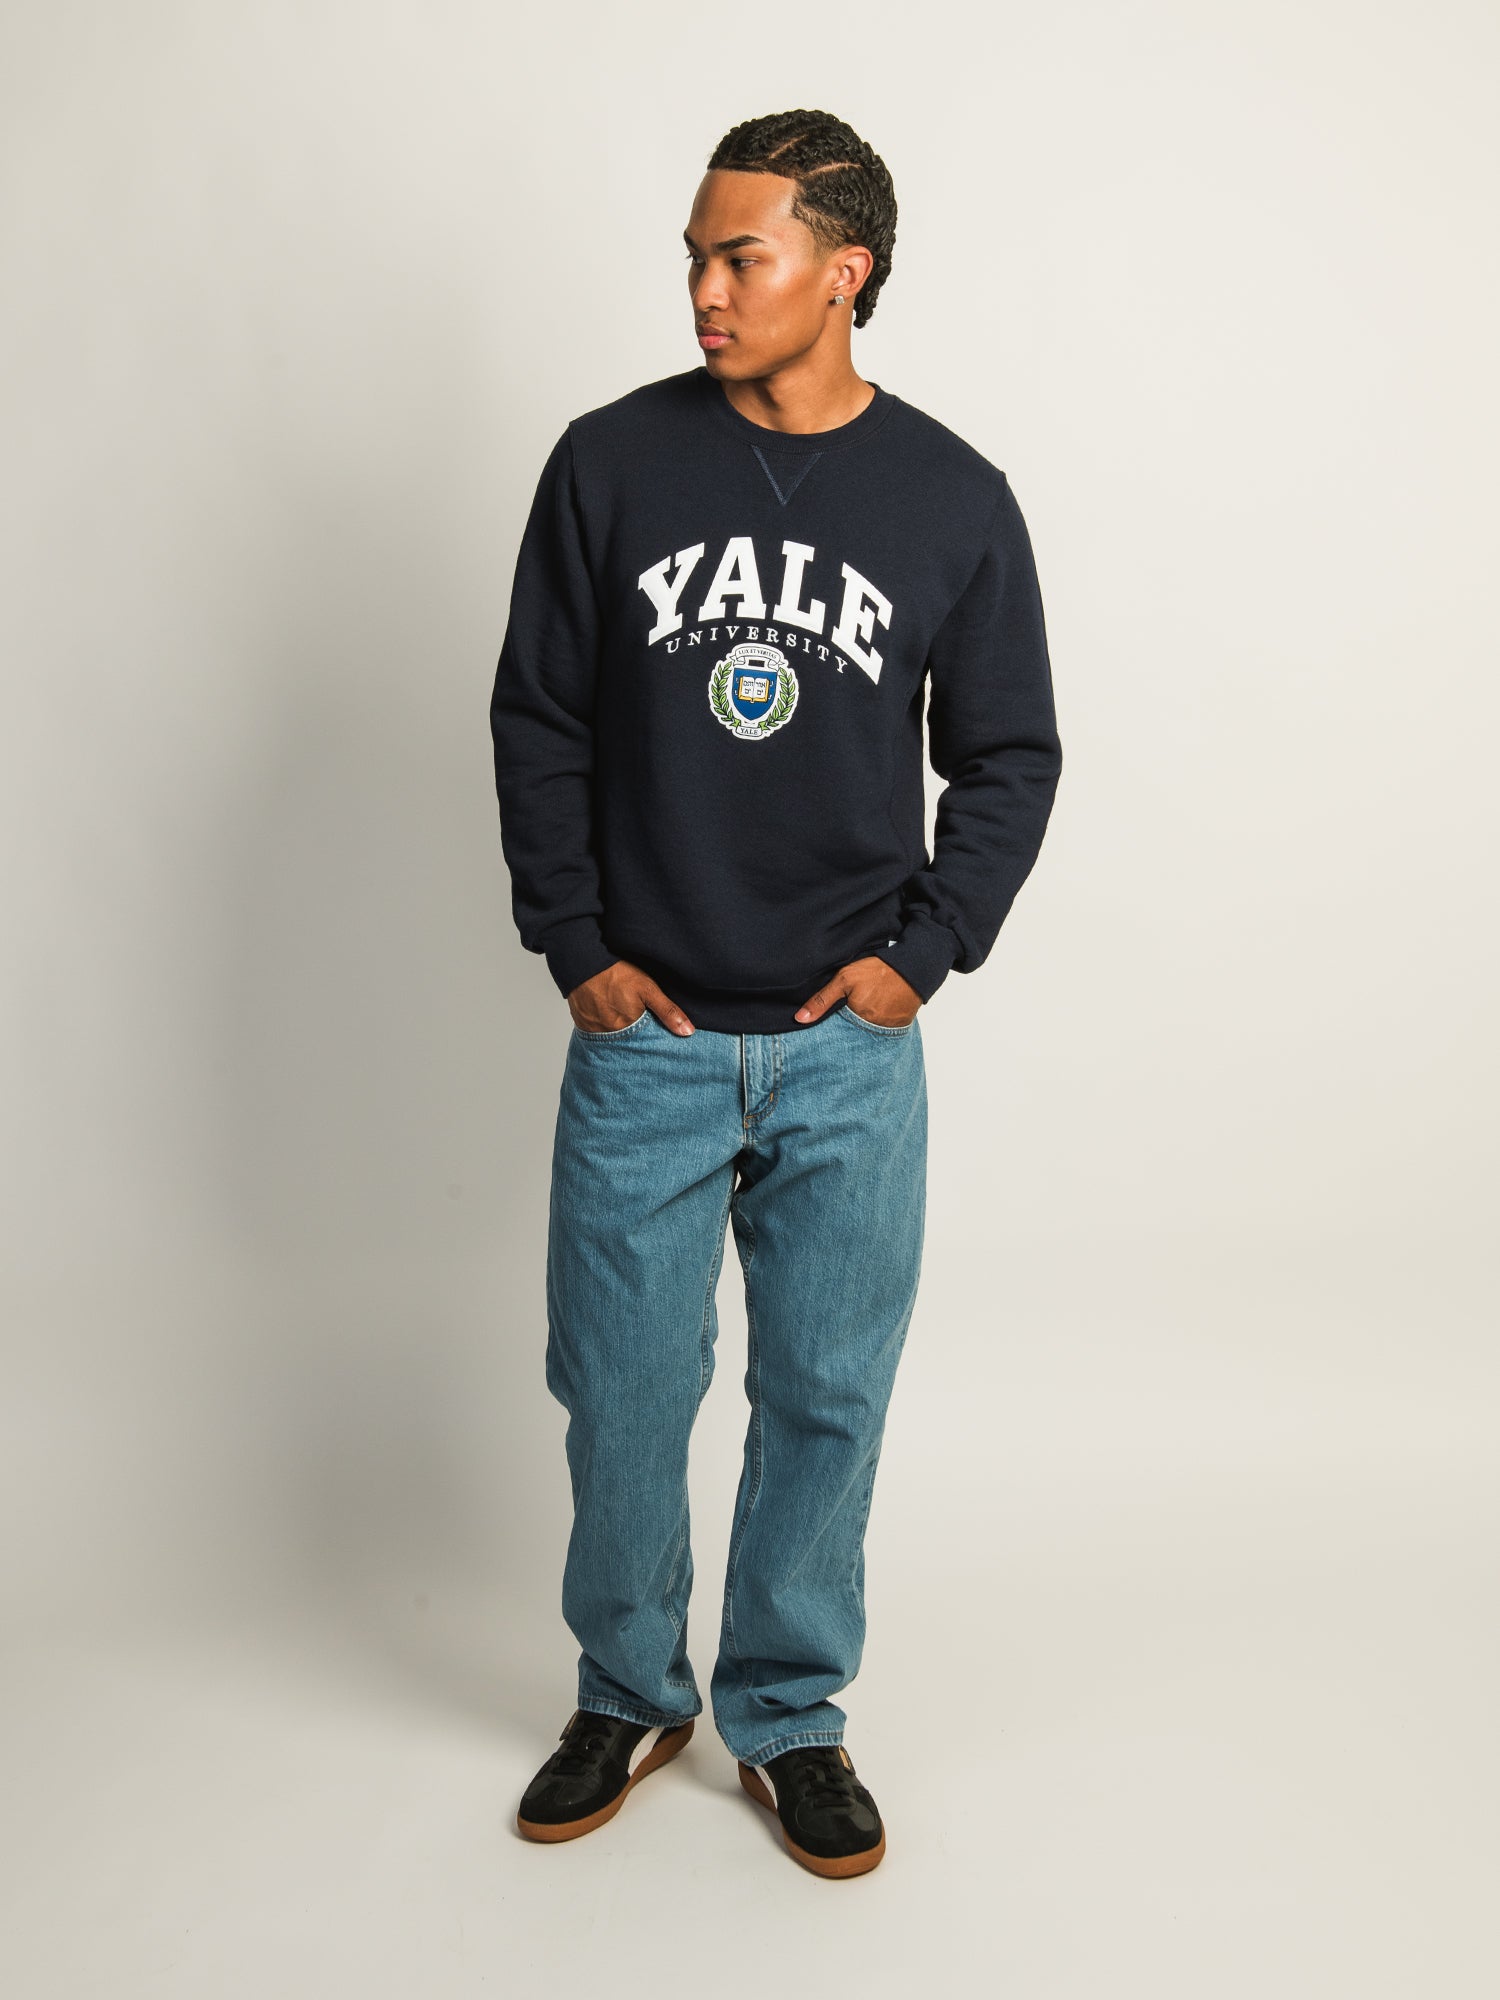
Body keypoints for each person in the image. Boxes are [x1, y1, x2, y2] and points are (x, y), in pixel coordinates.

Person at [489, 107, 1062, 1879]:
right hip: (648, 1044)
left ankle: (790, 1713)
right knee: (621, 1396)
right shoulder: (608, 464)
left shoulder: (953, 497)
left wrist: (921, 957)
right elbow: (539, 718)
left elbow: (1011, 756)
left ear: (844, 270)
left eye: (741, 256)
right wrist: (577, 947)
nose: (705, 289)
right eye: (695, 256)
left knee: (826, 1396)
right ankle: (628, 1689)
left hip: (844, 1053)